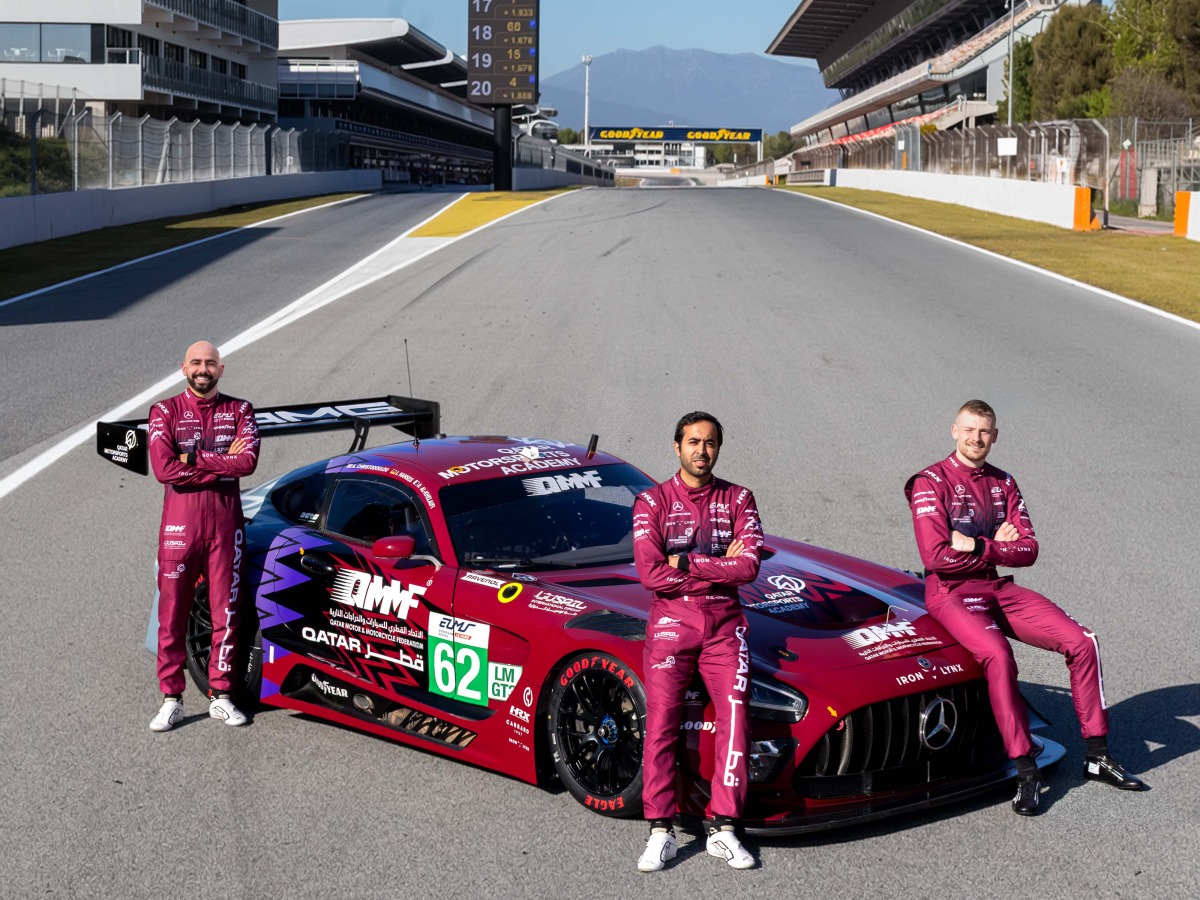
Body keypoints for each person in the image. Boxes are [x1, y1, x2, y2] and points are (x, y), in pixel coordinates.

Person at [904, 400, 1145, 816]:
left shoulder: (1004, 483)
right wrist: (999, 545)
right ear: (953, 431)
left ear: (995, 436)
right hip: (950, 592)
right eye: (969, 430)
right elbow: (937, 555)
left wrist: (978, 544)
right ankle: (1025, 770)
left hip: (998, 587)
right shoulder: (930, 482)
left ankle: (1097, 754)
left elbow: (1029, 550)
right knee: (998, 654)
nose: (977, 439)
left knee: (1083, 641)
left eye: (985, 432)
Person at [632, 412, 764, 871]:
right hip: (671, 624)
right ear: (676, 447)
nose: (701, 450)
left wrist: (687, 563)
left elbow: (748, 567)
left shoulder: (740, 498)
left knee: (736, 717)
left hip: (726, 625)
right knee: (662, 723)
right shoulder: (651, 502)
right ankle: (660, 831)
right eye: (693, 442)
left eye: (709, 443)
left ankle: (724, 828)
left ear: (718, 449)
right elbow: (649, 573)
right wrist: (716, 565)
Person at [147, 341, 260, 732]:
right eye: (196, 362)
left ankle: (221, 695)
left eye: (210, 363)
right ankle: (172, 698)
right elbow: (163, 468)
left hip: (227, 526)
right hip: (180, 528)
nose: (203, 368)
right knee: (172, 613)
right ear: (183, 368)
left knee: (226, 613)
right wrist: (221, 465)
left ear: (221, 369)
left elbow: (247, 462)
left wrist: (192, 458)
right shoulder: (164, 411)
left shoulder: (240, 410)